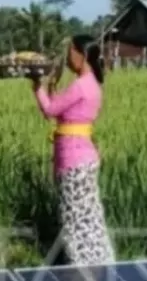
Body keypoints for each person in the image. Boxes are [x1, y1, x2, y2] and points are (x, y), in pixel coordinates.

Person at [32, 35, 116, 266]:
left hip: (74, 158)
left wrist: (37, 85)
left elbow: (50, 110)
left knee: (75, 216)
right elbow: (61, 109)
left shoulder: (81, 85)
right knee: (86, 214)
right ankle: (97, 260)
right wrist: (51, 86)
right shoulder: (90, 84)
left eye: (70, 52)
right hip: (81, 156)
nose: (67, 57)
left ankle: (83, 262)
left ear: (81, 55)